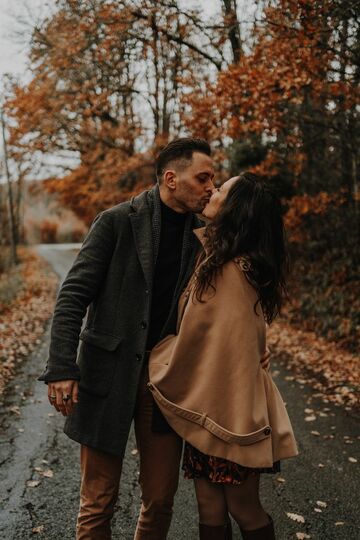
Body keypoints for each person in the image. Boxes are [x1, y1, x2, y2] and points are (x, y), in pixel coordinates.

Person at [38, 139, 271, 540]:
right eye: (202, 177)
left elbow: (233, 300)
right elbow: (73, 294)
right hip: (105, 376)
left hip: (167, 384)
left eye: (213, 179)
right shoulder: (116, 221)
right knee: (98, 499)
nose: (210, 187)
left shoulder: (208, 237)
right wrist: (62, 366)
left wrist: (256, 345)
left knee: (160, 499)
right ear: (171, 179)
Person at [148, 172, 299, 539]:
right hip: (212, 409)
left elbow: (202, 345)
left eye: (223, 189)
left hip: (231, 416)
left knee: (243, 508)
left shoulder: (232, 270)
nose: (213, 190)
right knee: (210, 506)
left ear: (237, 209)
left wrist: (154, 356)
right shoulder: (222, 261)